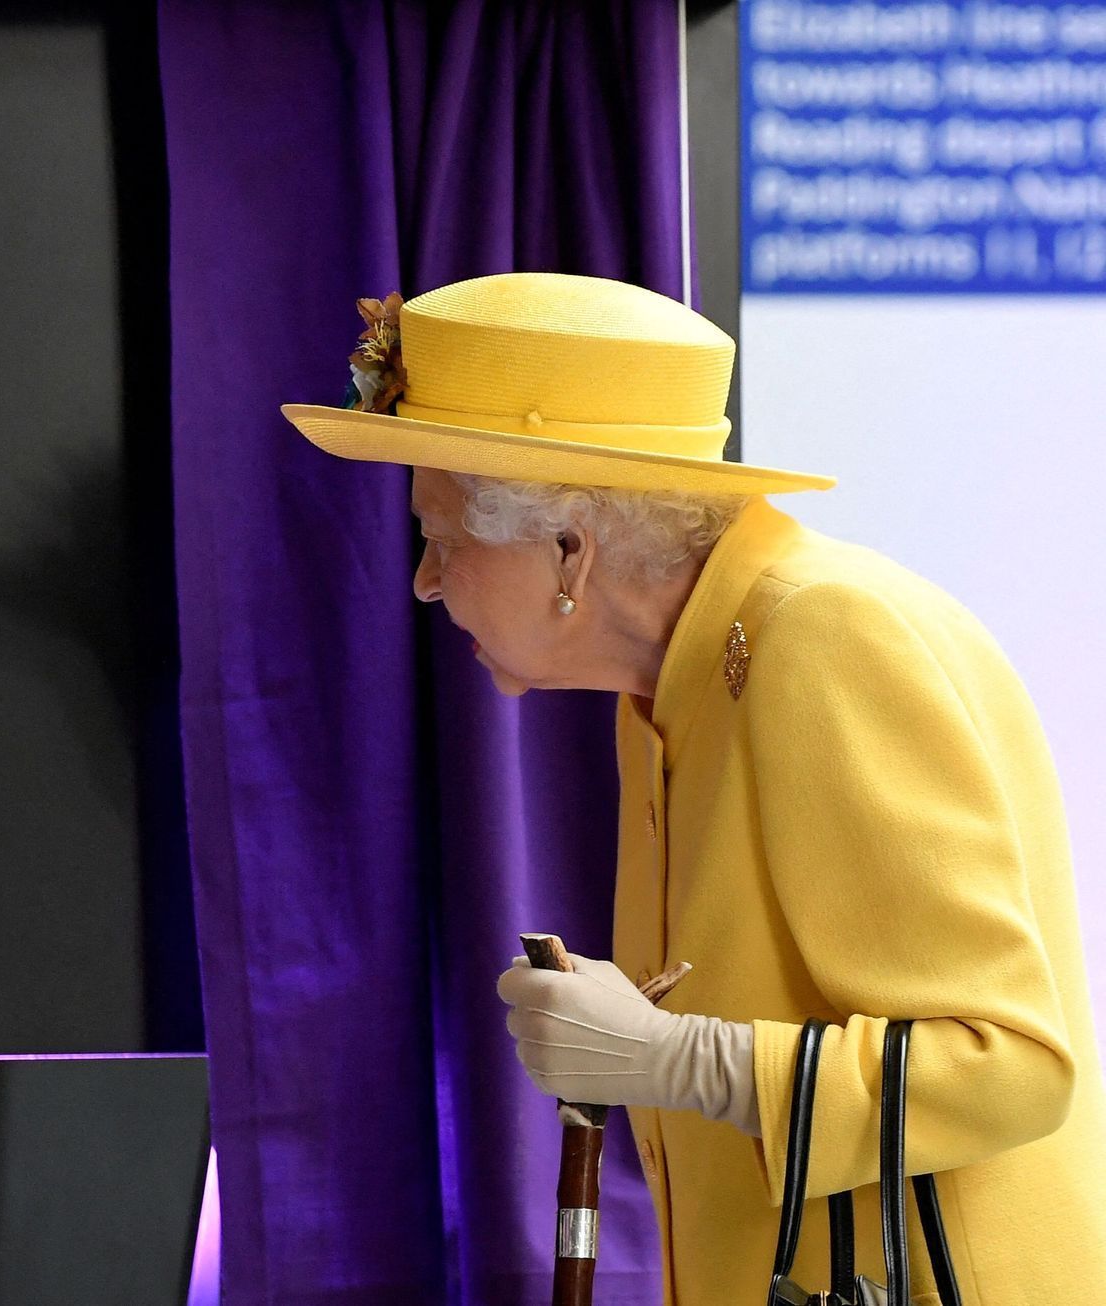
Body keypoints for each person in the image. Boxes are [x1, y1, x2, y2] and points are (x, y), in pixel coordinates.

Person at [282, 271, 1106, 1302]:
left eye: (443, 538)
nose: (425, 580)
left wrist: (678, 1058)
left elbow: (1009, 1065)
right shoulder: (677, 685)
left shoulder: (821, 636)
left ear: (569, 547)